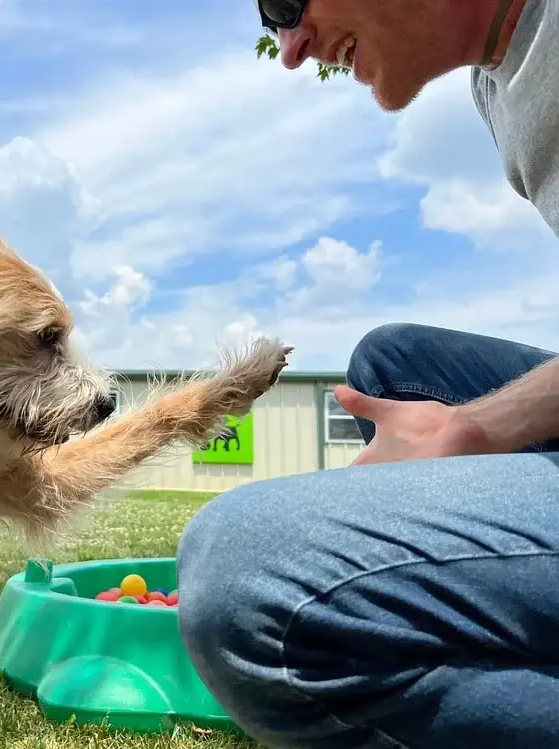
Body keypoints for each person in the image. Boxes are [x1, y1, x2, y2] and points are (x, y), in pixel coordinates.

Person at [176, 0, 559, 747]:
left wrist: (478, 426)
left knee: (250, 577)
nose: (289, 48)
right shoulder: (498, 83)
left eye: (287, 4)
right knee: (392, 365)